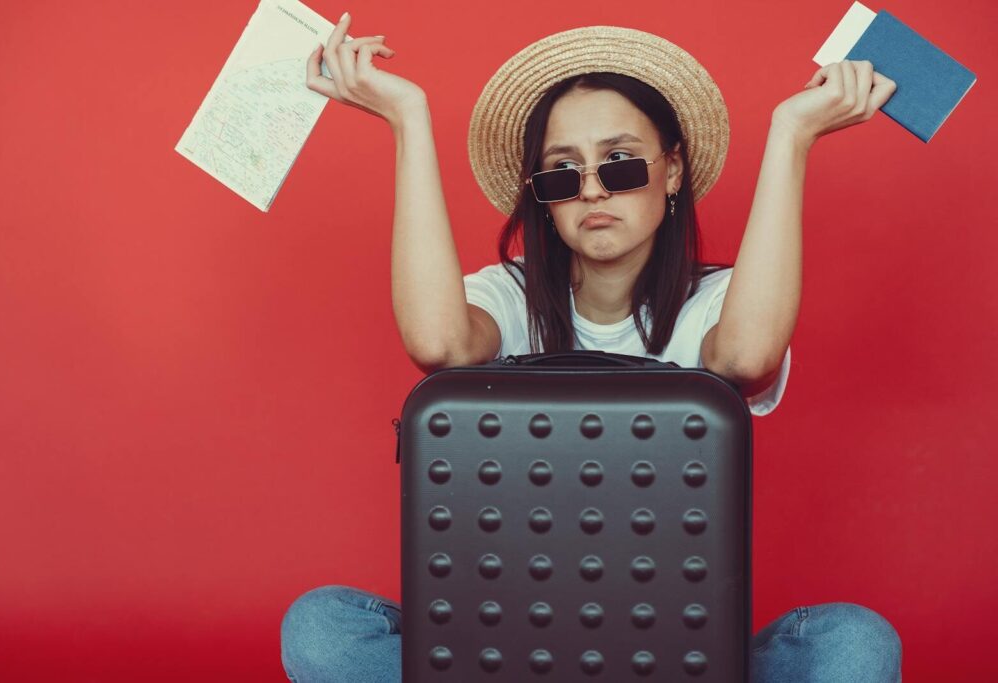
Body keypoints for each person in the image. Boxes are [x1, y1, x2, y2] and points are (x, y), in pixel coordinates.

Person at [280, 11, 903, 682]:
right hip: (507, 646)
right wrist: (408, 116)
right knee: (323, 629)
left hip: (681, 652)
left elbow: (745, 359)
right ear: (543, 199)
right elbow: (439, 343)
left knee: (853, 645)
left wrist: (793, 135)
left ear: (671, 171)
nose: (594, 189)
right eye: (561, 173)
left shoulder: (721, 300)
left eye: (622, 162)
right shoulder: (509, 294)